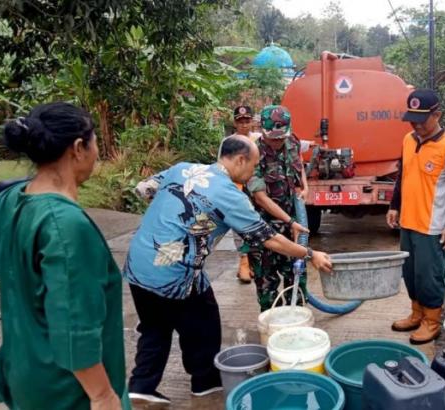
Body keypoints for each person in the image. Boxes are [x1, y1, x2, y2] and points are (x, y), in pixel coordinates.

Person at [124, 135, 331, 405]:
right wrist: (311, 254)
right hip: (173, 273)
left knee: (156, 325)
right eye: (254, 165)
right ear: (240, 159)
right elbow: (268, 238)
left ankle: (141, 386)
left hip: (138, 263)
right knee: (204, 322)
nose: (254, 172)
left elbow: (143, 189)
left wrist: (170, 217)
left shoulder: (183, 168)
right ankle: (205, 383)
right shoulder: (230, 195)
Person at [0, 102, 128, 410]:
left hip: (24, 367)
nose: (97, 151)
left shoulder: (11, 200)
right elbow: (73, 327)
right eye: (94, 142)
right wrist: (103, 395)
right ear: (78, 148)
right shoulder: (65, 225)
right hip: (67, 389)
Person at [386, 89, 445, 345]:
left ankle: (432, 321)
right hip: (408, 223)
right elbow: (402, 176)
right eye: (412, 119)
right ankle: (416, 313)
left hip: (432, 227)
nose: (416, 125)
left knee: (429, 276)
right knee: (409, 273)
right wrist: (393, 206)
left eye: (421, 120)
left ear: (437, 115)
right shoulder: (408, 140)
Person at [247, 105, 310, 312]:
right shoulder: (251, 153)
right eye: (272, 138)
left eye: (280, 137)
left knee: (297, 282)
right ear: (262, 130)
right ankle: (274, 331)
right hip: (264, 232)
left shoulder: (292, 142)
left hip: (293, 230)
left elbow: (298, 166)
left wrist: (304, 187)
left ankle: (298, 327)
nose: (277, 142)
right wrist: (290, 221)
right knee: (268, 290)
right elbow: (260, 197)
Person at [229, 105, 261, 284]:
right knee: (238, 225)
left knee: (256, 223)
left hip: (257, 191)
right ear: (235, 123)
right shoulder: (228, 143)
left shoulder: (259, 139)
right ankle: (243, 261)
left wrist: (310, 144)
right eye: (240, 121)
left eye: (247, 121)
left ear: (252, 122)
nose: (244, 125)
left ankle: (254, 261)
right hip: (237, 190)